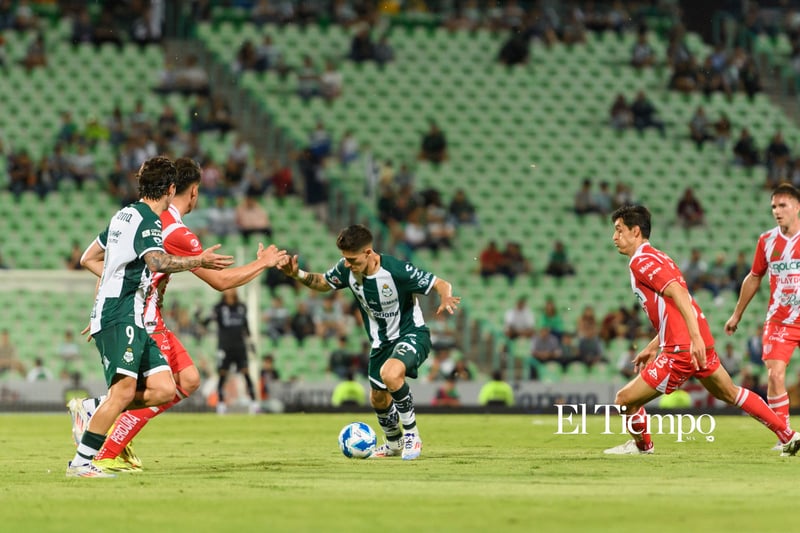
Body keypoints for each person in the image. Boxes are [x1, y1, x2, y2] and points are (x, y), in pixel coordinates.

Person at [72, 157, 286, 472]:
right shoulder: (167, 227)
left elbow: (99, 260)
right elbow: (221, 282)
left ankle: (99, 422)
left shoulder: (128, 214)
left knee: (183, 381)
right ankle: (103, 447)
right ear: (189, 191)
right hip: (141, 317)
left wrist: (103, 302)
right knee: (139, 390)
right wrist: (263, 263)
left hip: (134, 312)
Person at [603, 204, 800, 456]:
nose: (614, 237)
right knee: (732, 393)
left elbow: (679, 293)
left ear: (636, 231)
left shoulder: (641, 261)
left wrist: (691, 340)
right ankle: (788, 435)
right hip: (695, 341)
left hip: (682, 348)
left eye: (619, 230)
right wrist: (653, 346)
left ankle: (643, 448)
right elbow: (673, 307)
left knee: (623, 400)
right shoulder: (658, 256)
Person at [277, 224, 460, 460]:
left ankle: (412, 436)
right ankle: (394, 442)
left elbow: (440, 283)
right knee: (378, 398)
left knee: (391, 374)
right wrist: (297, 274)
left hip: (411, 334)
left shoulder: (396, 270)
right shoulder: (347, 269)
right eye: (344, 258)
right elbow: (323, 282)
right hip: (380, 343)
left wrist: (445, 297)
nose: (347, 264)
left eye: (352, 259)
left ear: (368, 252)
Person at [725, 184, 800, 449]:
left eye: (783, 206)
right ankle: (786, 437)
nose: (777, 212)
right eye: (773, 207)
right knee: (775, 376)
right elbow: (754, 277)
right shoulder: (766, 240)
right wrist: (737, 314)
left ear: (797, 207)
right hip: (780, 320)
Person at [212, 288, 258, 415]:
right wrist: (199, 317)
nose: (230, 291)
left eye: (232, 288)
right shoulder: (219, 307)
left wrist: (251, 343)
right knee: (222, 374)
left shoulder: (242, 307)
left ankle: (254, 404)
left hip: (239, 346)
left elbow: (246, 326)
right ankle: (221, 405)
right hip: (225, 346)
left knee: (246, 373)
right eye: (228, 289)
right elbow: (208, 321)